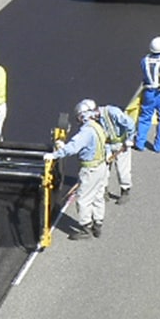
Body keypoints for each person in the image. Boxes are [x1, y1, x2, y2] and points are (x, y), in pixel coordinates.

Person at [47, 99, 111, 238]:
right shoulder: (98, 126)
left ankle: (85, 227)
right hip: (102, 167)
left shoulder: (86, 132)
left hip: (90, 169)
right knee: (98, 195)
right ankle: (97, 224)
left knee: (83, 198)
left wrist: (55, 154)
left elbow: (73, 148)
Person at [135, 36, 160, 153]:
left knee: (144, 116)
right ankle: (159, 146)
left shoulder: (144, 60)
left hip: (148, 92)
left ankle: (139, 142)